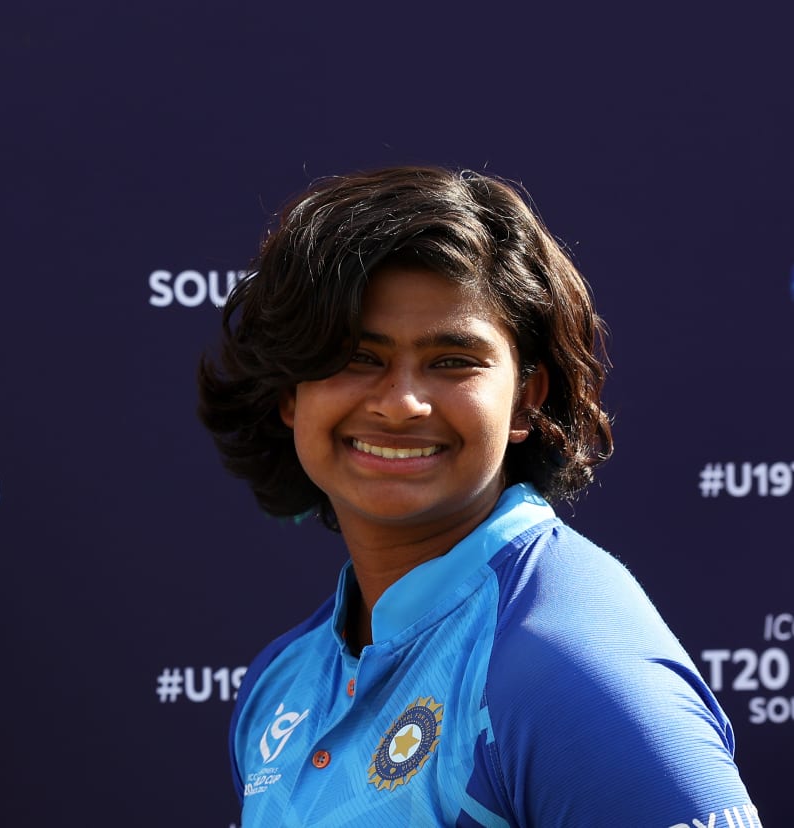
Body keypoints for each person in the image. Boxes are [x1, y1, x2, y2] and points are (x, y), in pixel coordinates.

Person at [200, 167, 758, 825]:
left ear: (526, 398)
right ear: (289, 394)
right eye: (355, 357)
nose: (402, 403)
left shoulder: (572, 671)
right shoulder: (283, 681)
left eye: (452, 361)